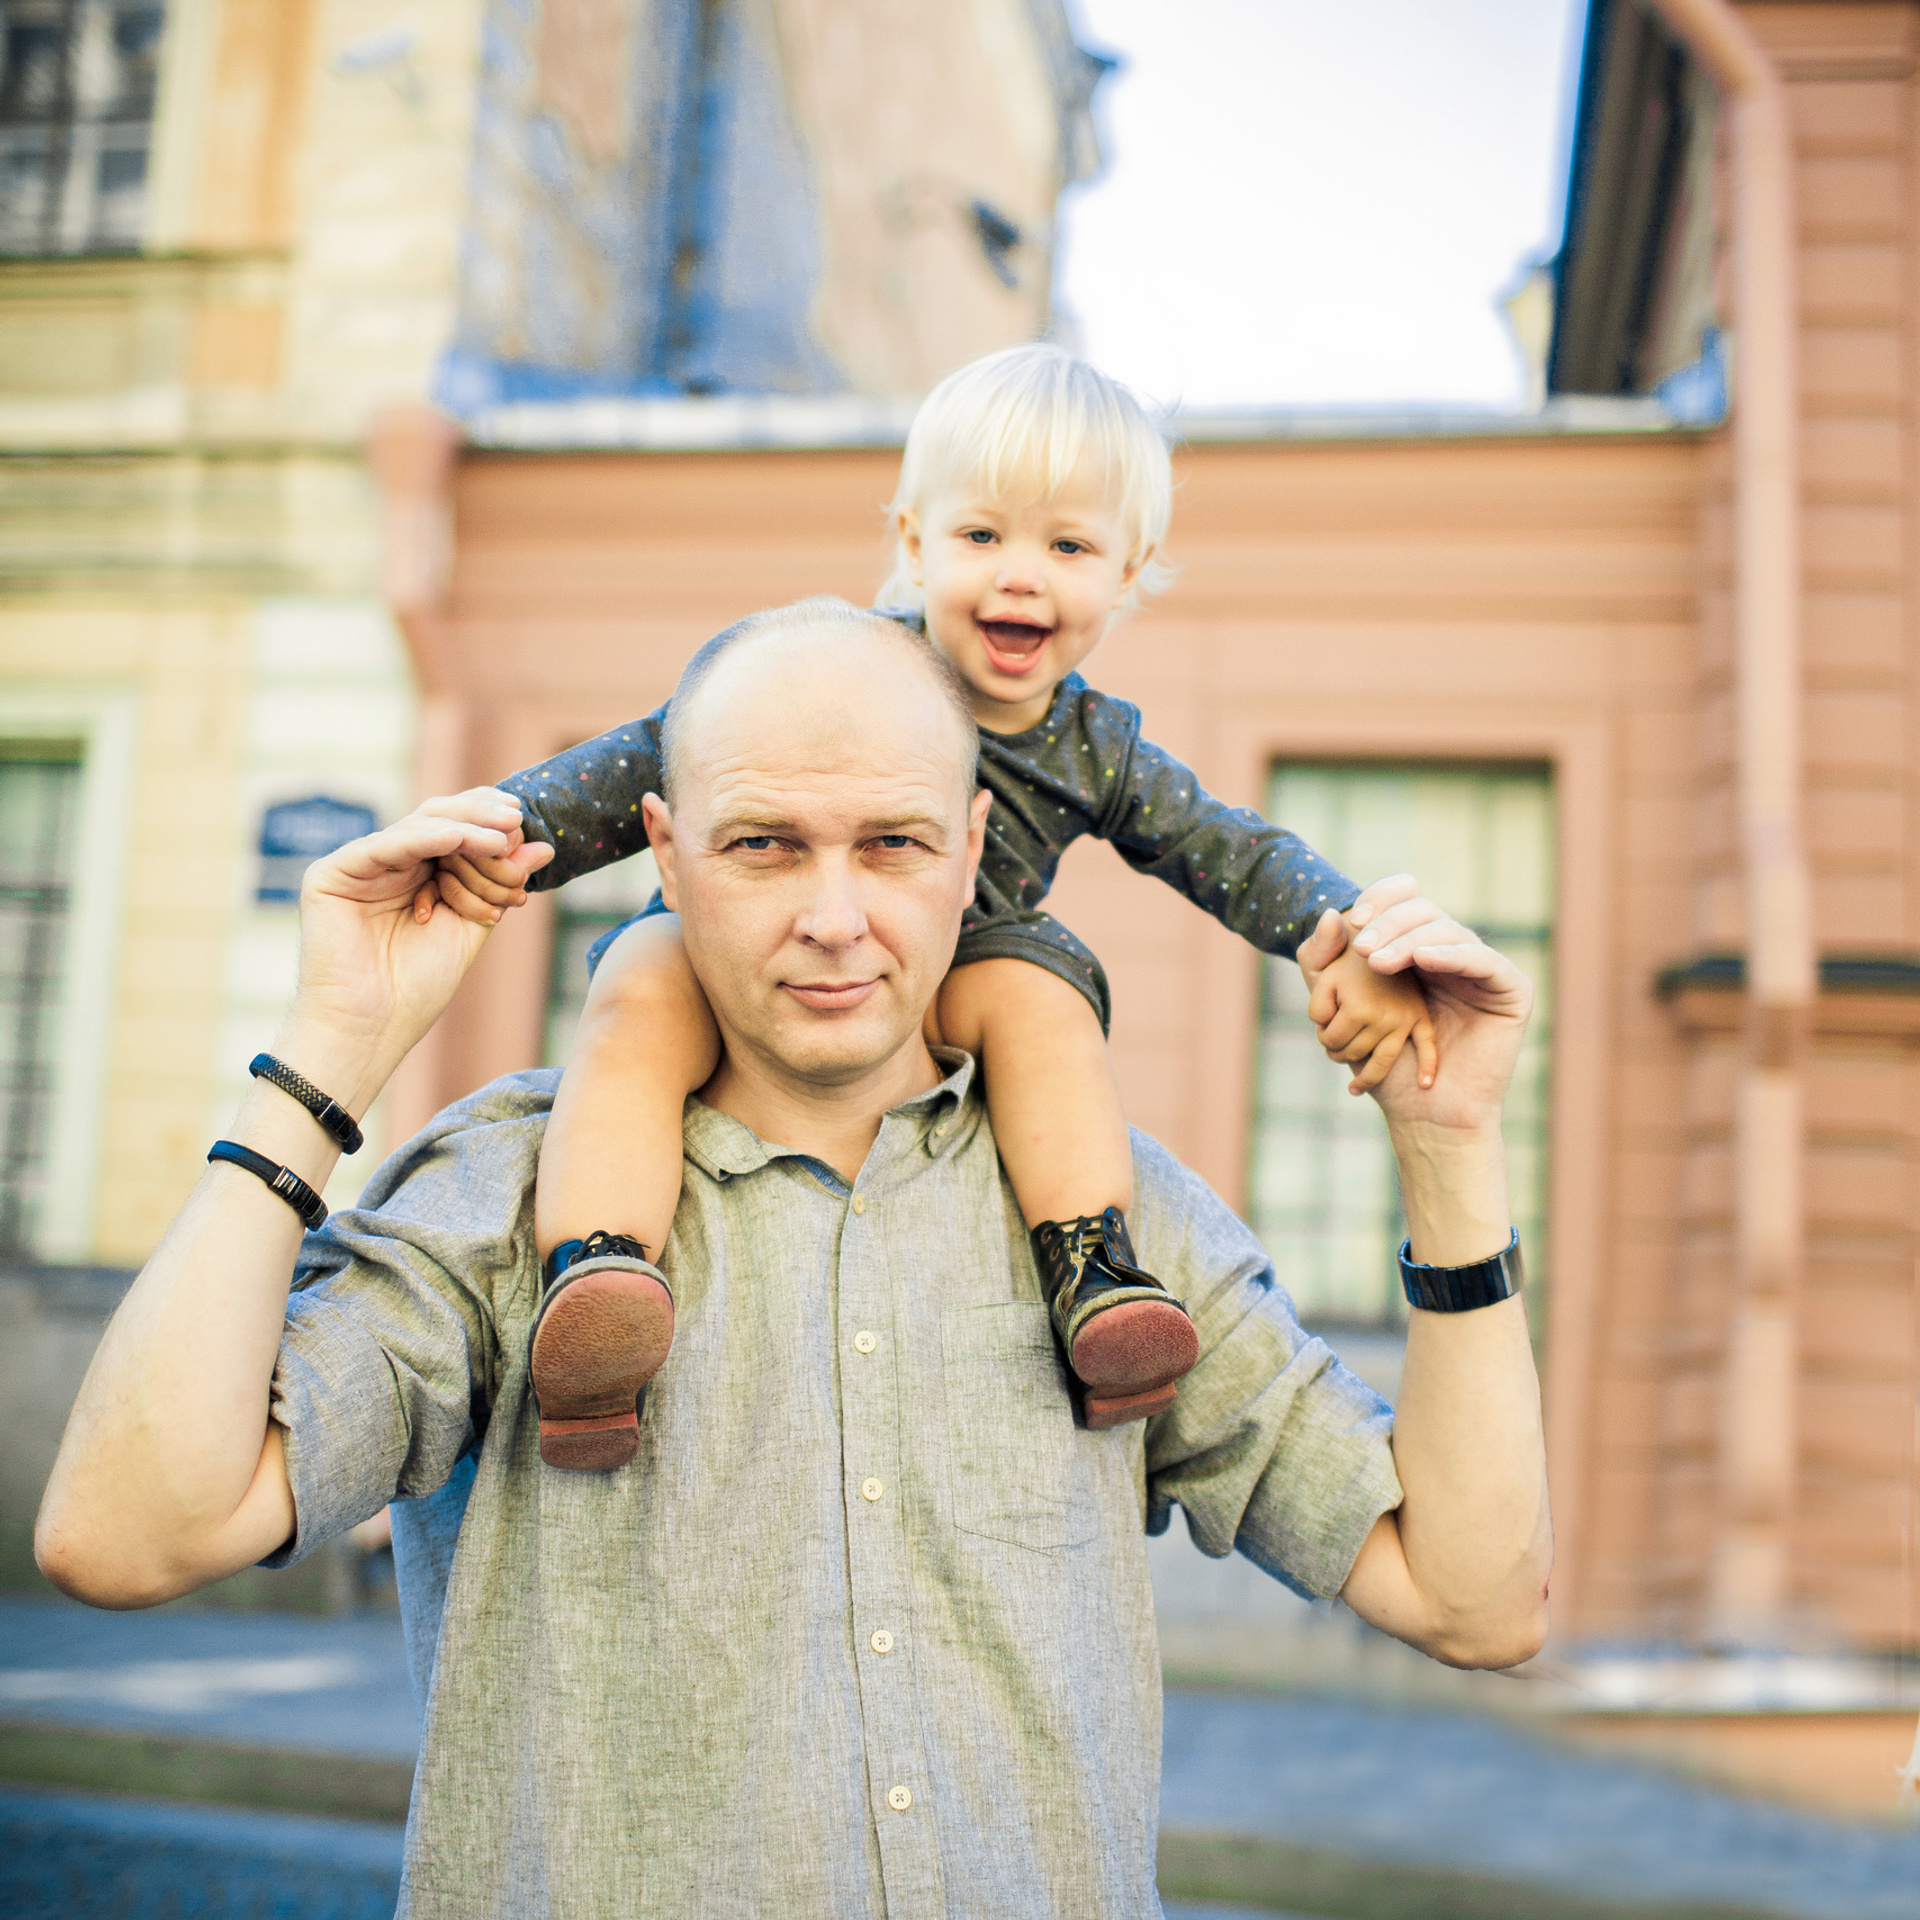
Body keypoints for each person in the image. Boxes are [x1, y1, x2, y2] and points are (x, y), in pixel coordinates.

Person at [36, 604, 1550, 1918]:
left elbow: (1476, 1601)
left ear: (973, 856)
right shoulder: (513, 1198)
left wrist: (1449, 1152)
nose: (835, 919)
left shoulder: (1113, 1226)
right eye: (766, 846)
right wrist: (330, 1050)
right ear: (667, 855)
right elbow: (126, 1536)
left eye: (891, 845)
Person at [442, 344, 1437, 1468]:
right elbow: (656, 756)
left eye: (1067, 546)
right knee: (639, 978)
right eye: (981, 537)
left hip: (957, 975)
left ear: (1129, 568)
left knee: (1042, 994)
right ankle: (600, 1281)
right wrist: (500, 828)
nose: (1020, 575)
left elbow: (1224, 848)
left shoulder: (1094, 747)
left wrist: (1347, 931)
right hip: (771, 959)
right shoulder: (847, 664)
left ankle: (1091, 1269)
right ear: (913, 542)